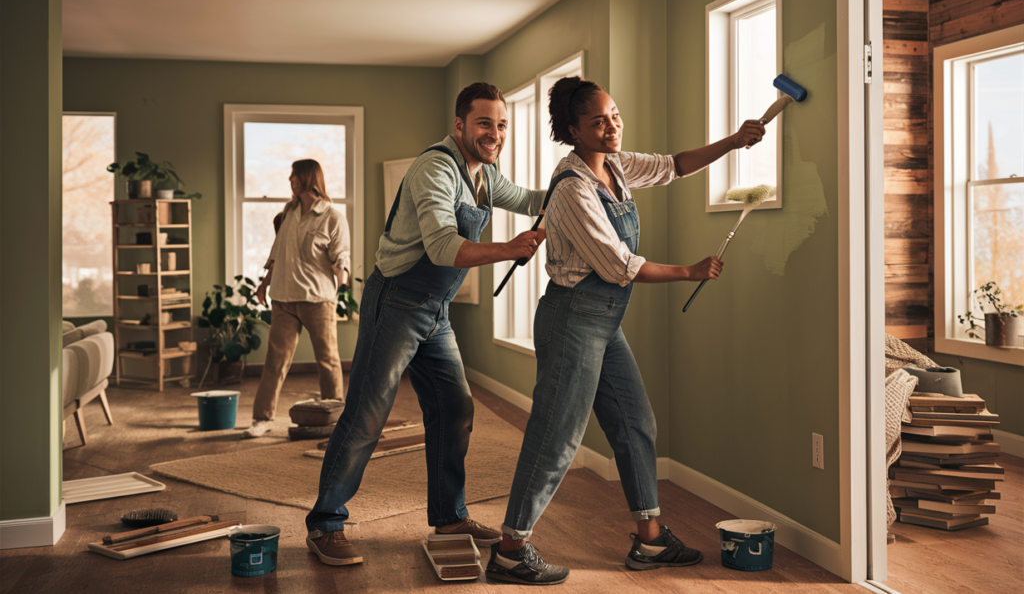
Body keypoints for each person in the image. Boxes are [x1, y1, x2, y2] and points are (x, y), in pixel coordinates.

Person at [485, 77, 765, 585]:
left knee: (636, 423)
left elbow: (671, 166)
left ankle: (650, 540)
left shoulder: (614, 165)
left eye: (614, 115)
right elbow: (619, 266)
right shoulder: (572, 189)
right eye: (598, 122)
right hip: (573, 319)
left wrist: (732, 141)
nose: (611, 127)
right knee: (556, 438)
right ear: (574, 130)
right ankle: (510, 549)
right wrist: (689, 271)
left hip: (603, 322)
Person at [305, 82, 546, 566]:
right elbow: (441, 248)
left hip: (435, 313)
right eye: (484, 123)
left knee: (455, 408)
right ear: (459, 125)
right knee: (367, 414)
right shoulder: (436, 169)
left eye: (501, 124)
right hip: (397, 301)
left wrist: (577, 184)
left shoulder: (484, 174)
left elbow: (528, 197)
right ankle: (325, 524)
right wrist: (510, 249)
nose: (494, 133)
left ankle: (448, 515)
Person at [245, 159, 350, 438]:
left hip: (318, 299)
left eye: (295, 175)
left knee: (327, 360)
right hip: (283, 297)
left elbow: (341, 257)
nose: (290, 179)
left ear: (308, 178)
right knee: (275, 362)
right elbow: (276, 253)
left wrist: (344, 283)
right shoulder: (288, 212)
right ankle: (262, 418)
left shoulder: (332, 217)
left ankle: (334, 418)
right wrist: (263, 285)